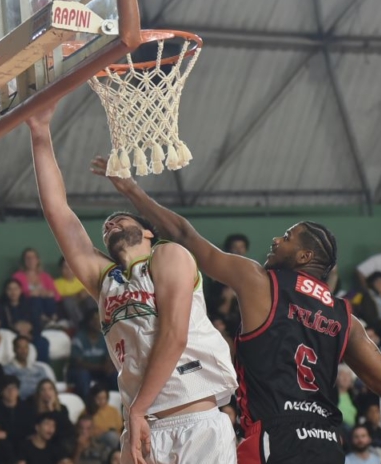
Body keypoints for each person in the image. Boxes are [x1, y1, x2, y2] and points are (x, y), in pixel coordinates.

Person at [87, 145, 381, 464]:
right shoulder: (345, 318)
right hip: (326, 444)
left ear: (305, 256)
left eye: (287, 237)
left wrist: (131, 189)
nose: (276, 240)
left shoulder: (260, 282)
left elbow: (184, 235)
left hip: (273, 438)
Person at [29, 110, 241, 464]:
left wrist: (137, 411)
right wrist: (40, 132)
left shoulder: (169, 255)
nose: (110, 224)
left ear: (147, 232)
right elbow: (58, 213)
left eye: (120, 219)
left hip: (194, 421)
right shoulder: (106, 281)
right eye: (106, 226)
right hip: (144, 428)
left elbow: (174, 335)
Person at [0, 279, 50, 363]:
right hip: (13, 336)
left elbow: (37, 323)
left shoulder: (29, 305)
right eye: (10, 289)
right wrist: (17, 331)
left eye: (16, 289)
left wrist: (30, 333)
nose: (13, 292)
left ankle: (40, 367)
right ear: (5, 291)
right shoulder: (1, 307)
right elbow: (1, 327)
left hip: (30, 335)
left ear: (20, 290)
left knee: (42, 342)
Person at [68, 309, 115, 398]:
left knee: (115, 375)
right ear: (89, 322)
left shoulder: (104, 338)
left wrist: (108, 366)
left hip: (100, 371)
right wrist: (100, 367)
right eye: (96, 319)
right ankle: (87, 402)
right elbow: (79, 363)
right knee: (83, 375)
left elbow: (109, 358)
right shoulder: (79, 338)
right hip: (80, 371)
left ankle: (115, 402)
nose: (99, 322)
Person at [13, 248, 61, 328]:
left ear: (37, 260)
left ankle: (52, 320)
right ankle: (43, 320)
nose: (31, 260)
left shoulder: (45, 276)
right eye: (28, 258)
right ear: (24, 261)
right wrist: (29, 294)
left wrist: (48, 293)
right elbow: (15, 295)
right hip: (28, 307)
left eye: (33, 257)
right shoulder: (17, 276)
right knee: (35, 298)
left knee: (48, 297)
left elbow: (57, 297)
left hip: (47, 306)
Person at [0, 376, 35, 442]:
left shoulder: (27, 409)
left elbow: (30, 431)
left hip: (24, 443)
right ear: (1, 391)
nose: (11, 391)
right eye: (7, 388)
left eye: (14, 388)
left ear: (18, 391)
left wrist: (7, 434)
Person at [53, 257, 96, 329]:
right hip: (68, 310)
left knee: (90, 299)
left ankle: (94, 323)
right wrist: (77, 296)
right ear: (61, 269)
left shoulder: (82, 279)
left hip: (83, 306)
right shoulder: (56, 283)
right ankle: (80, 325)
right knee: (68, 301)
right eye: (65, 268)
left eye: (70, 267)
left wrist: (85, 293)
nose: (68, 270)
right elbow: (59, 299)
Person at [32, 380, 74, 451]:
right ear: (39, 393)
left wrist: (51, 408)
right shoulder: (34, 409)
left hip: (58, 441)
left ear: (55, 392)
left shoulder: (62, 408)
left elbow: (65, 428)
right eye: (43, 390)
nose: (47, 392)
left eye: (50, 389)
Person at [86, 385, 123, 449]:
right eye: (99, 398)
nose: (102, 401)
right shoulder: (88, 412)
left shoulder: (113, 410)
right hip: (98, 440)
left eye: (104, 398)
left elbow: (120, 427)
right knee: (111, 436)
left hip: (116, 437)